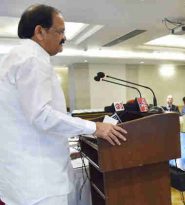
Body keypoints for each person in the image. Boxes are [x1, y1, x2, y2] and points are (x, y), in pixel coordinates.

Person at [0, 4, 127, 205]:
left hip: (24, 178)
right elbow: (42, 115)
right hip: (39, 182)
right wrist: (94, 128)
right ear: (40, 32)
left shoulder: (17, 56)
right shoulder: (33, 58)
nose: (64, 38)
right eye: (60, 32)